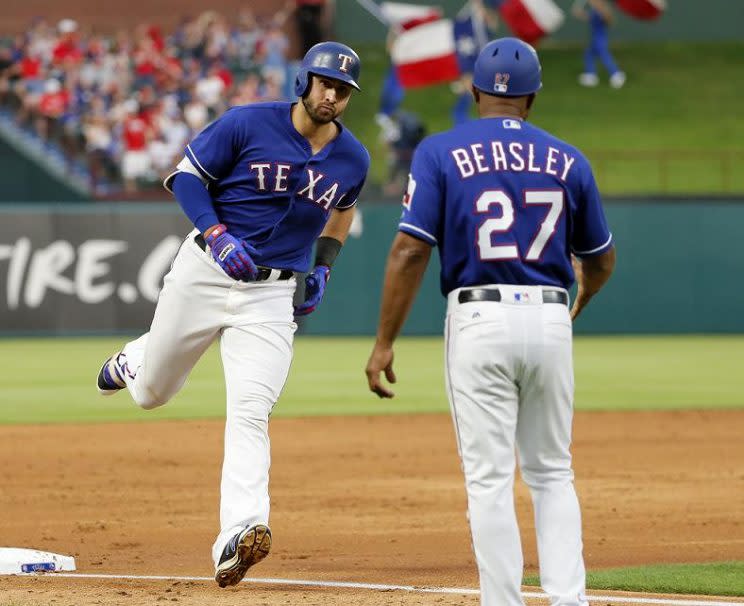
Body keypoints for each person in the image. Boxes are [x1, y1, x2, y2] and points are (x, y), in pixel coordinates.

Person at [96, 41, 369, 588]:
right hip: (206, 270)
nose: (332, 95)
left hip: (271, 296)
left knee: (251, 409)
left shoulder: (352, 158)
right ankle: (138, 357)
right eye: (325, 83)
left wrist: (324, 268)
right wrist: (216, 234)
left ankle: (238, 534)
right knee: (153, 394)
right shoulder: (247, 124)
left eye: (342, 89)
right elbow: (186, 177)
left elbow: (342, 211)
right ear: (303, 82)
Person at [366, 37, 616, 606]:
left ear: (476, 91)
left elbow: (410, 250)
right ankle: (568, 599)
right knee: (553, 472)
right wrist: (585, 295)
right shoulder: (567, 158)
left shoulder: (439, 152)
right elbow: (599, 257)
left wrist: (384, 341)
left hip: (478, 316)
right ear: (532, 99)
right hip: (551, 316)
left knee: (489, 479)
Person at [573, 0, 626, 88]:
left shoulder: (603, 10)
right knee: (588, 54)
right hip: (594, 38)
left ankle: (616, 74)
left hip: (600, 38)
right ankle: (591, 75)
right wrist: (579, 13)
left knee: (604, 55)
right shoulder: (595, 11)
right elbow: (589, 18)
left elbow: (610, 20)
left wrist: (601, 10)